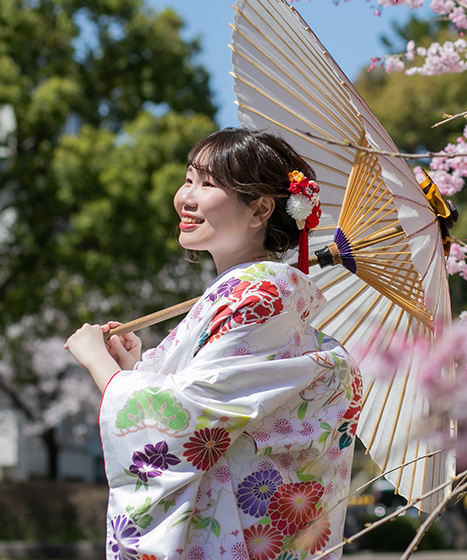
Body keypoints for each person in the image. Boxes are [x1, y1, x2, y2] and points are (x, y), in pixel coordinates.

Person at [66, 128, 362, 560]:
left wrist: (102, 368)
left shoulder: (258, 298)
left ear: (260, 209)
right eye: (188, 179)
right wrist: (132, 371)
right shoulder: (245, 297)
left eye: (208, 185)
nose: (187, 197)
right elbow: (218, 401)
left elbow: (189, 415)